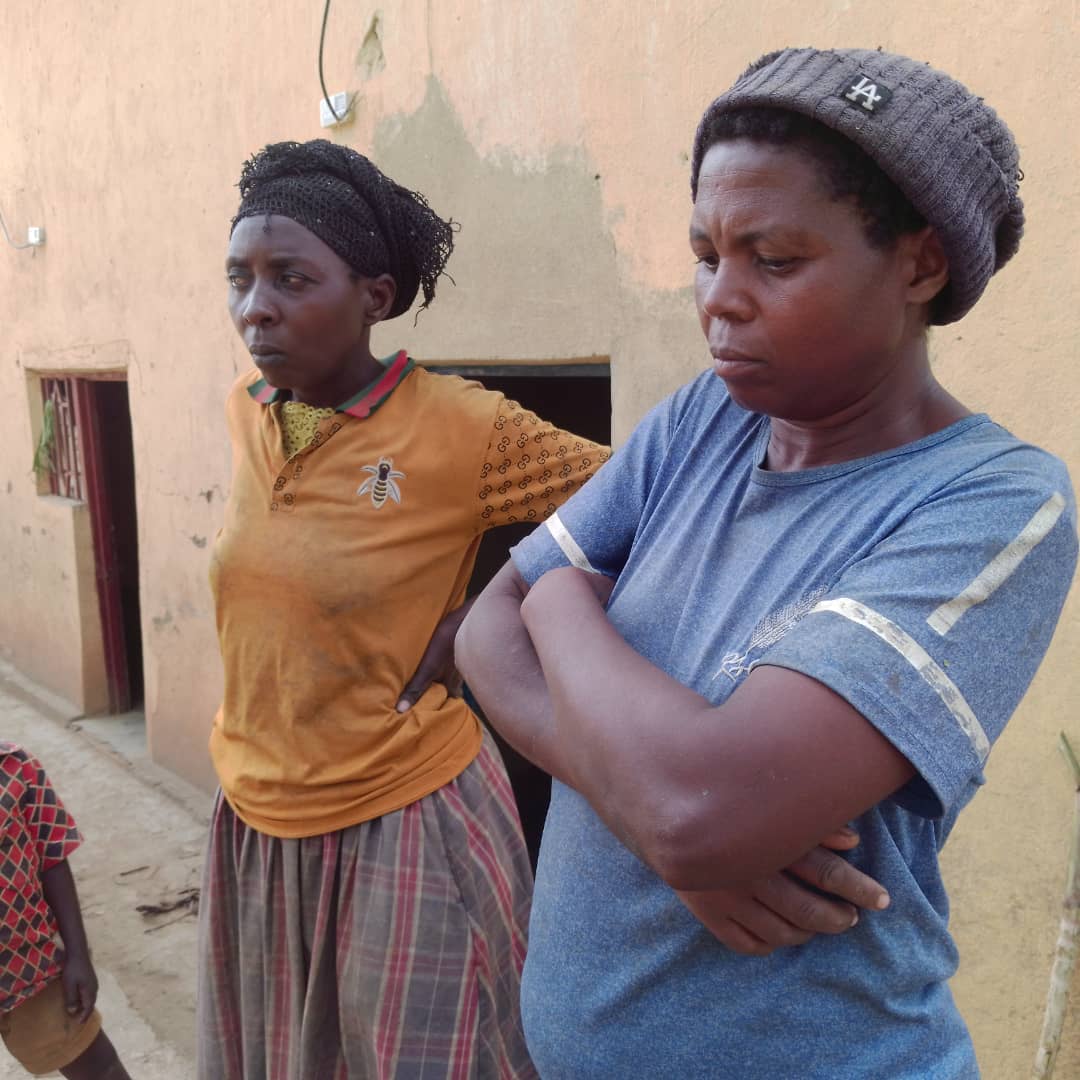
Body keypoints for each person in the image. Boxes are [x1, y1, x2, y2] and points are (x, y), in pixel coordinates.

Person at [457, 47, 1078, 1078]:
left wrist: (557, 594)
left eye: (775, 261)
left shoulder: (991, 503)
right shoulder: (704, 419)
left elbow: (701, 809)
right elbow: (484, 634)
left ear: (920, 265)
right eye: (708, 254)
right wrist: (657, 823)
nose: (720, 299)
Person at [197, 138, 622, 1079]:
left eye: (291, 279)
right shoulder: (248, 408)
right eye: (240, 279)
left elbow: (646, 502)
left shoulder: (462, 427)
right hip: (258, 817)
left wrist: (492, 606)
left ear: (374, 296)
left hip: (405, 814)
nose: (255, 307)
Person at [0, 742, 131, 1080]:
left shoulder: (15, 767)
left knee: (102, 1069)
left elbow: (53, 857)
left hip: (28, 966)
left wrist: (78, 955)